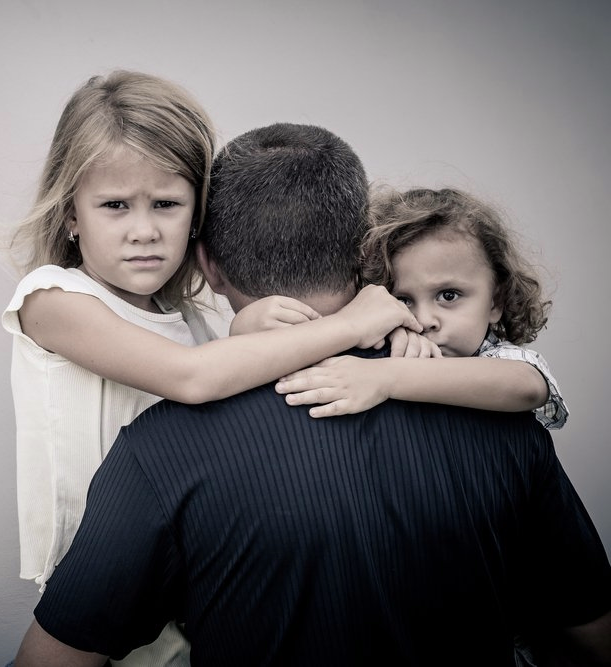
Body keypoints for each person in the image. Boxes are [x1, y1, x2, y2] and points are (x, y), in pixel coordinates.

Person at [16, 123, 611, 666]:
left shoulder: (159, 450)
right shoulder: (499, 419)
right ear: (366, 251)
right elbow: (591, 636)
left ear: (208, 264)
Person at [1, 75, 417, 667]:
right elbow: (190, 380)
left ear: (197, 215)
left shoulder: (191, 320)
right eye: (115, 205)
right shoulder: (53, 298)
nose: (143, 230)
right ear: (70, 214)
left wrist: (245, 335)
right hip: (98, 575)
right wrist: (353, 321)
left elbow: (219, 393)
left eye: (166, 204)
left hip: (177, 577)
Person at [275, 186, 569, 429]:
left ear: (496, 302)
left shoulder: (498, 357)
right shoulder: (395, 341)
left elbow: (526, 387)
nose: (425, 319)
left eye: (449, 296)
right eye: (403, 300)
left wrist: (385, 377)